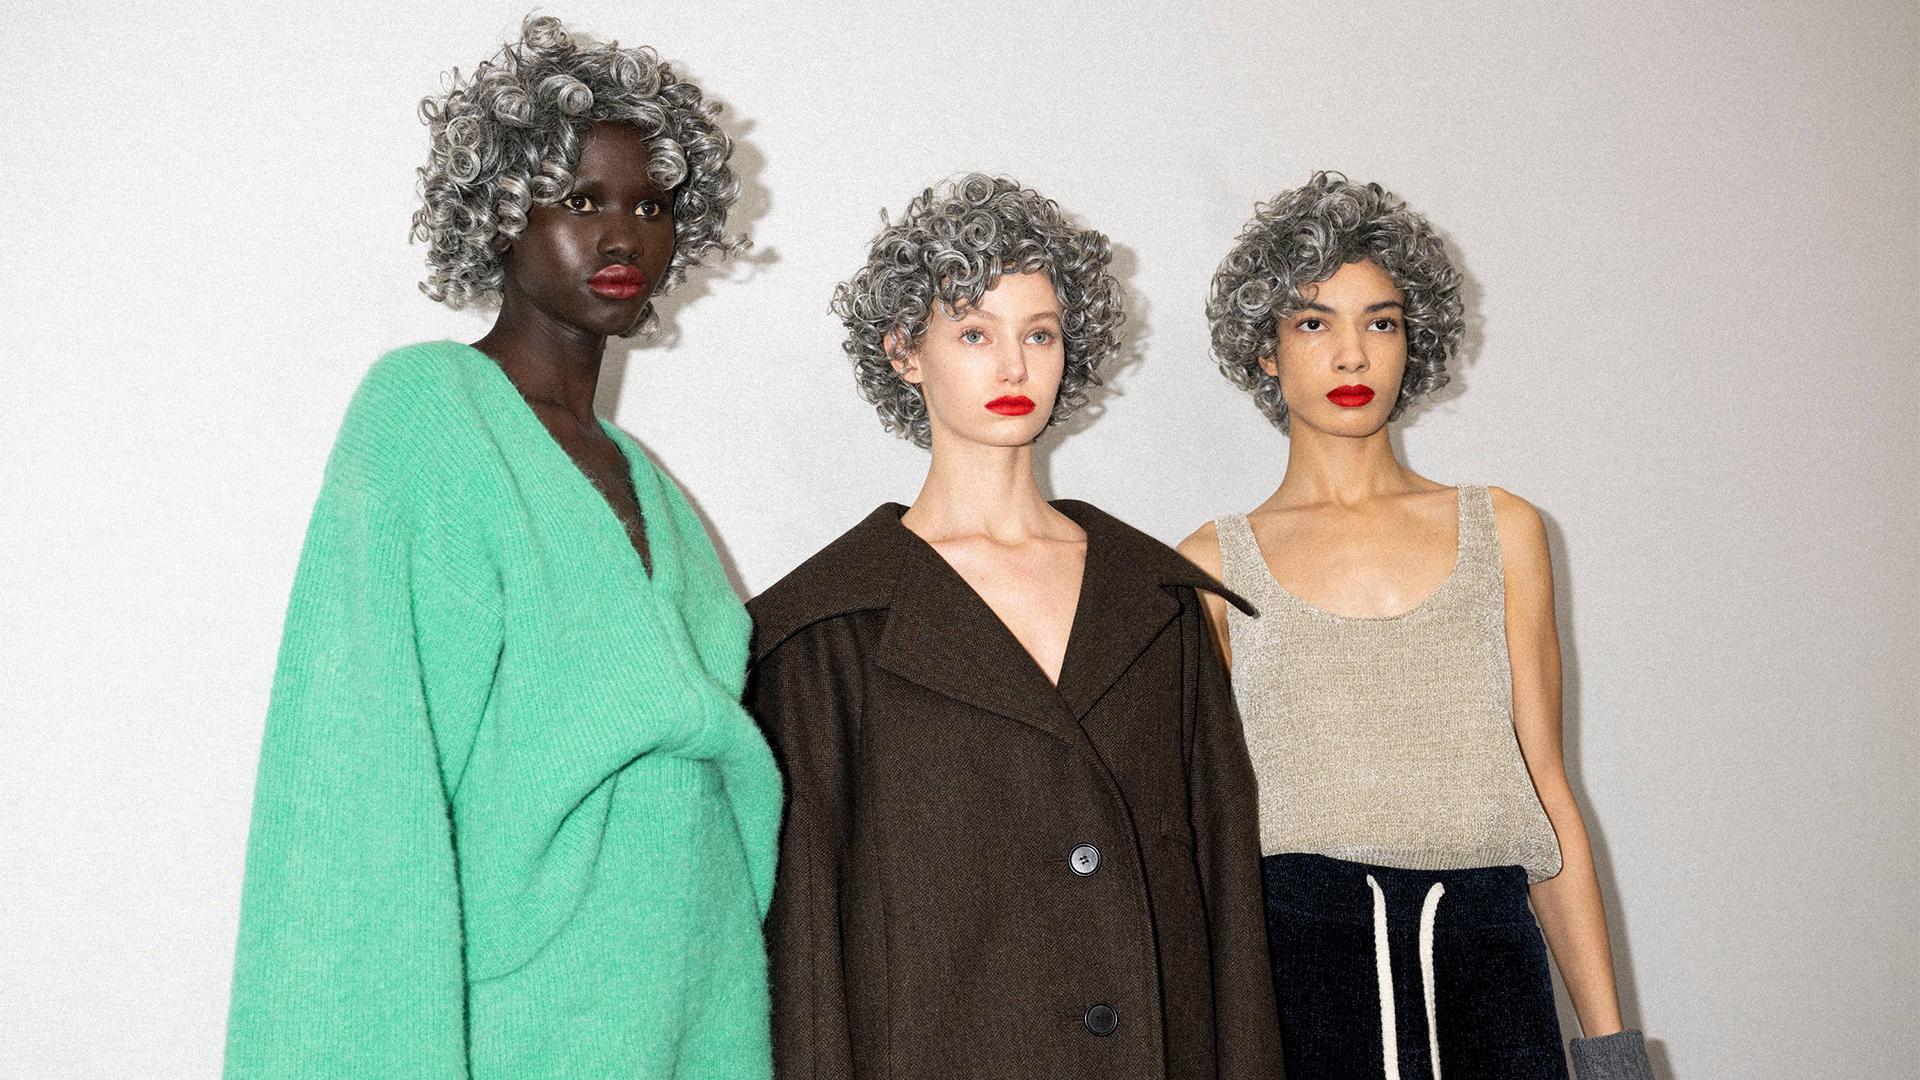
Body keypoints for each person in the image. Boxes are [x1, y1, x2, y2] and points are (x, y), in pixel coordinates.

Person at [223, 18, 780, 1078]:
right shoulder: (425, 416)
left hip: (688, 1014)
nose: (623, 238)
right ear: (498, 211)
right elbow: (360, 764)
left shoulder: (651, 485)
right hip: (522, 1021)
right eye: (580, 200)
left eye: (652, 206)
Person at [748, 174, 1286, 1080]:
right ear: (903, 351)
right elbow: (804, 962)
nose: (1014, 367)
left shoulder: (1154, 603)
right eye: (974, 333)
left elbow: (1230, 909)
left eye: (1040, 334)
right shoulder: (822, 635)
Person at [1179, 172, 1657, 1080]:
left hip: (1496, 987)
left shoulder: (1503, 530)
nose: (1352, 356)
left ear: (1415, 339)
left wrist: (1613, 1057)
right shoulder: (1209, 567)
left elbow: (1548, 795)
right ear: (1266, 350)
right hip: (1301, 1001)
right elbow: (1201, 846)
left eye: (1382, 322)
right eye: (1313, 323)